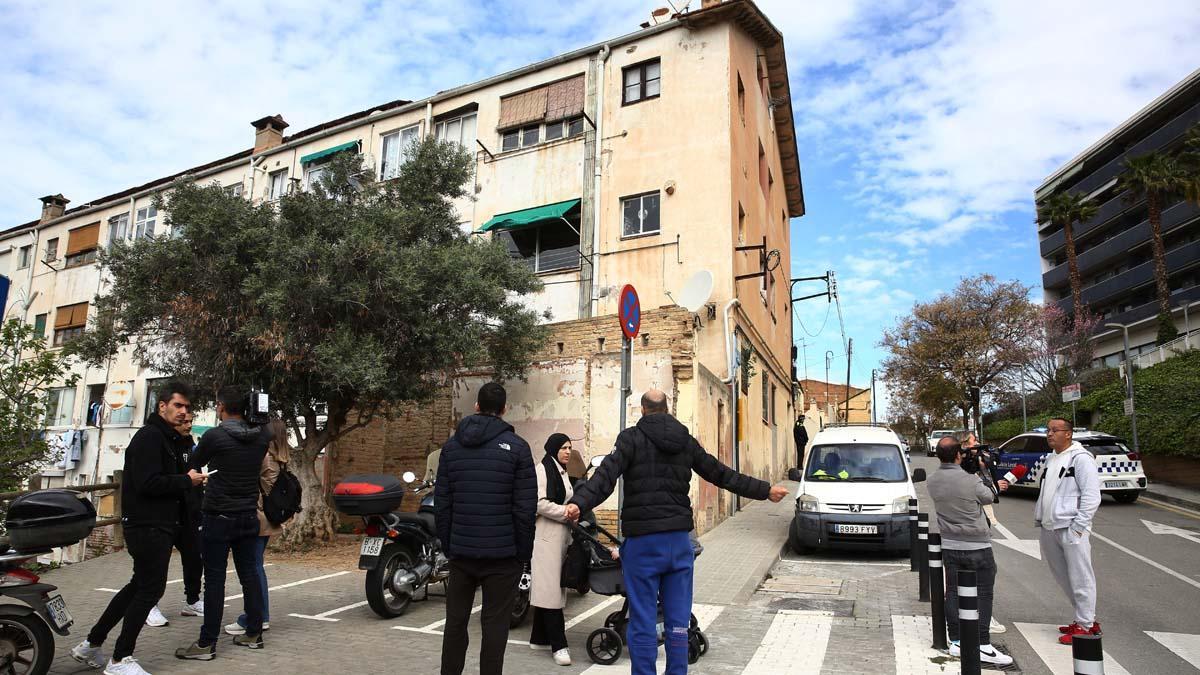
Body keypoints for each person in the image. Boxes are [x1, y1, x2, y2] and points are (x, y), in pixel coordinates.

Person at [565, 390, 789, 675]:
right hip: (679, 543)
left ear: (643, 410)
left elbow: (604, 478)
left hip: (643, 544)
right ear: (667, 409)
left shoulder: (631, 438)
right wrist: (765, 490)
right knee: (678, 623)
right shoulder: (684, 440)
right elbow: (719, 473)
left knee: (643, 621)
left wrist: (577, 504)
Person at [71, 382, 206, 675]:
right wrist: (187, 480)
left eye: (188, 408)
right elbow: (148, 483)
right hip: (147, 526)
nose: (184, 413)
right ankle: (120, 659)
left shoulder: (171, 439)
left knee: (137, 587)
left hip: (161, 525)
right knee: (150, 589)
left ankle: (91, 645)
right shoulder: (149, 438)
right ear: (162, 406)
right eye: (178, 406)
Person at [435, 382, 536, 675]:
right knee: (494, 627)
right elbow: (524, 509)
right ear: (504, 410)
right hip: (503, 557)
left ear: (476, 406)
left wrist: (449, 544)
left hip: (462, 554)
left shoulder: (451, 448)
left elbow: (443, 503)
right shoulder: (518, 449)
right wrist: (523, 554)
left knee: (455, 623)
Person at [176, 387, 271, 659]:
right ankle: (253, 633)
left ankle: (206, 644)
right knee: (249, 574)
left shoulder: (214, 436)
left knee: (215, 580)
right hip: (248, 516)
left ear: (220, 406)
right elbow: (266, 429)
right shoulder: (262, 436)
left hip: (218, 516)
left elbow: (193, 467)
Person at [926, 436, 1013, 667]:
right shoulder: (970, 480)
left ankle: (955, 640)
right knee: (984, 593)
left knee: (953, 592)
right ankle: (982, 643)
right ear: (958, 455)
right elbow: (990, 496)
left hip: (951, 545)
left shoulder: (932, 481)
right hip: (977, 545)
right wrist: (982, 472)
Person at [1035, 417, 1102, 645]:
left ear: (1069, 434)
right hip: (1049, 526)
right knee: (1064, 577)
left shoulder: (1081, 459)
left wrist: (1078, 527)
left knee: (1081, 577)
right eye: (1048, 430)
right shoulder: (1052, 458)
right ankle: (1085, 619)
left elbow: (1092, 496)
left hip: (1070, 528)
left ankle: (1085, 626)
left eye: (1055, 430)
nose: (1049, 434)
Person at [225, 418, 290, 636]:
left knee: (253, 569)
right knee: (256, 566)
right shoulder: (281, 460)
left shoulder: (264, 459)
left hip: (258, 518)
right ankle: (259, 615)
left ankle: (256, 616)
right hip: (268, 519)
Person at [145, 410, 205, 628]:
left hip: (189, 512)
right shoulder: (158, 444)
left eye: (191, 421)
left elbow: (195, 476)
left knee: (194, 558)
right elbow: (156, 480)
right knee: (158, 562)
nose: (188, 425)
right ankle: (149, 605)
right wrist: (185, 481)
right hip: (164, 515)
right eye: (185, 421)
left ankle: (192, 601)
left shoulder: (191, 445)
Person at [529, 434, 576, 666]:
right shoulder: (542, 470)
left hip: (561, 538)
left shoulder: (561, 471)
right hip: (547, 537)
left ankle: (539, 638)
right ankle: (559, 646)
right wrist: (566, 512)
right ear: (553, 449)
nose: (567, 451)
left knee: (551, 588)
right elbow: (538, 502)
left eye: (569, 448)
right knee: (551, 592)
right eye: (563, 448)